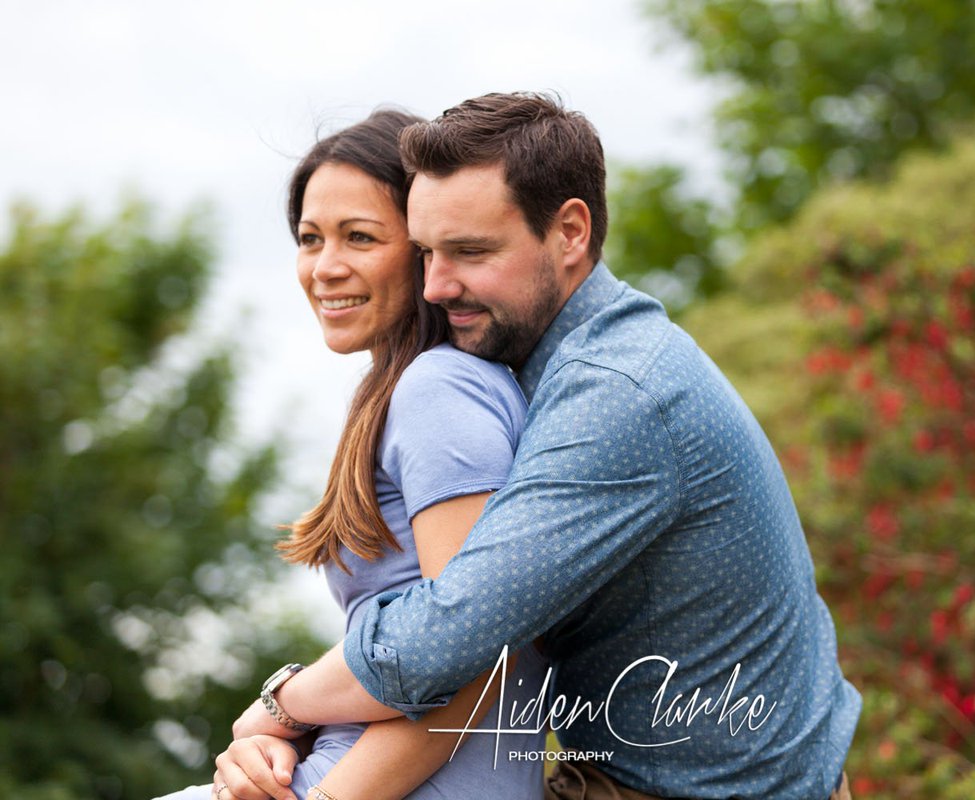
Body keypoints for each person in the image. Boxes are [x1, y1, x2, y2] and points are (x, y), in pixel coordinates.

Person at [231, 92, 861, 800]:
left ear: (569, 233)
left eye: (470, 252)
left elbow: (447, 639)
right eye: (426, 252)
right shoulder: (554, 365)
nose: (435, 286)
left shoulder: (616, 396)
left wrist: (277, 707)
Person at [155, 109, 546, 800]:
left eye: (359, 237)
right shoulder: (402, 391)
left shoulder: (438, 387)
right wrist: (283, 723)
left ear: (425, 248)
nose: (325, 268)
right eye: (310, 239)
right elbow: (412, 643)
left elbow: (482, 651)